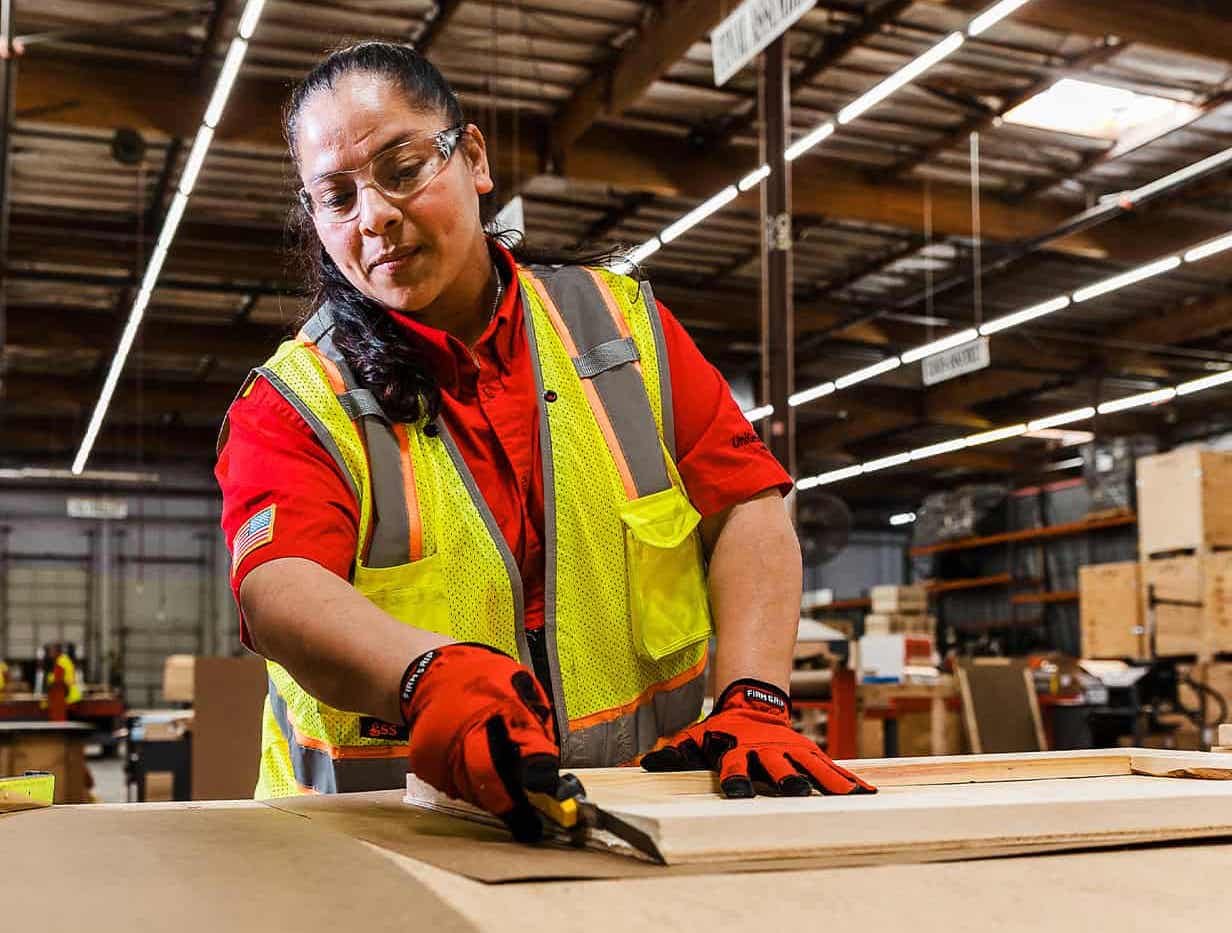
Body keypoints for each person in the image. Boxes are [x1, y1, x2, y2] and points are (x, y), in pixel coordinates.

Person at [215, 41, 873, 839]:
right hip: (376, 845)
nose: (376, 214)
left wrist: (754, 698)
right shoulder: (297, 400)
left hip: (629, 826)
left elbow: (746, 506)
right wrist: (422, 675)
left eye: (402, 167)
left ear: (475, 157)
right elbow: (278, 587)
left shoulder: (623, 331)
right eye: (338, 196)